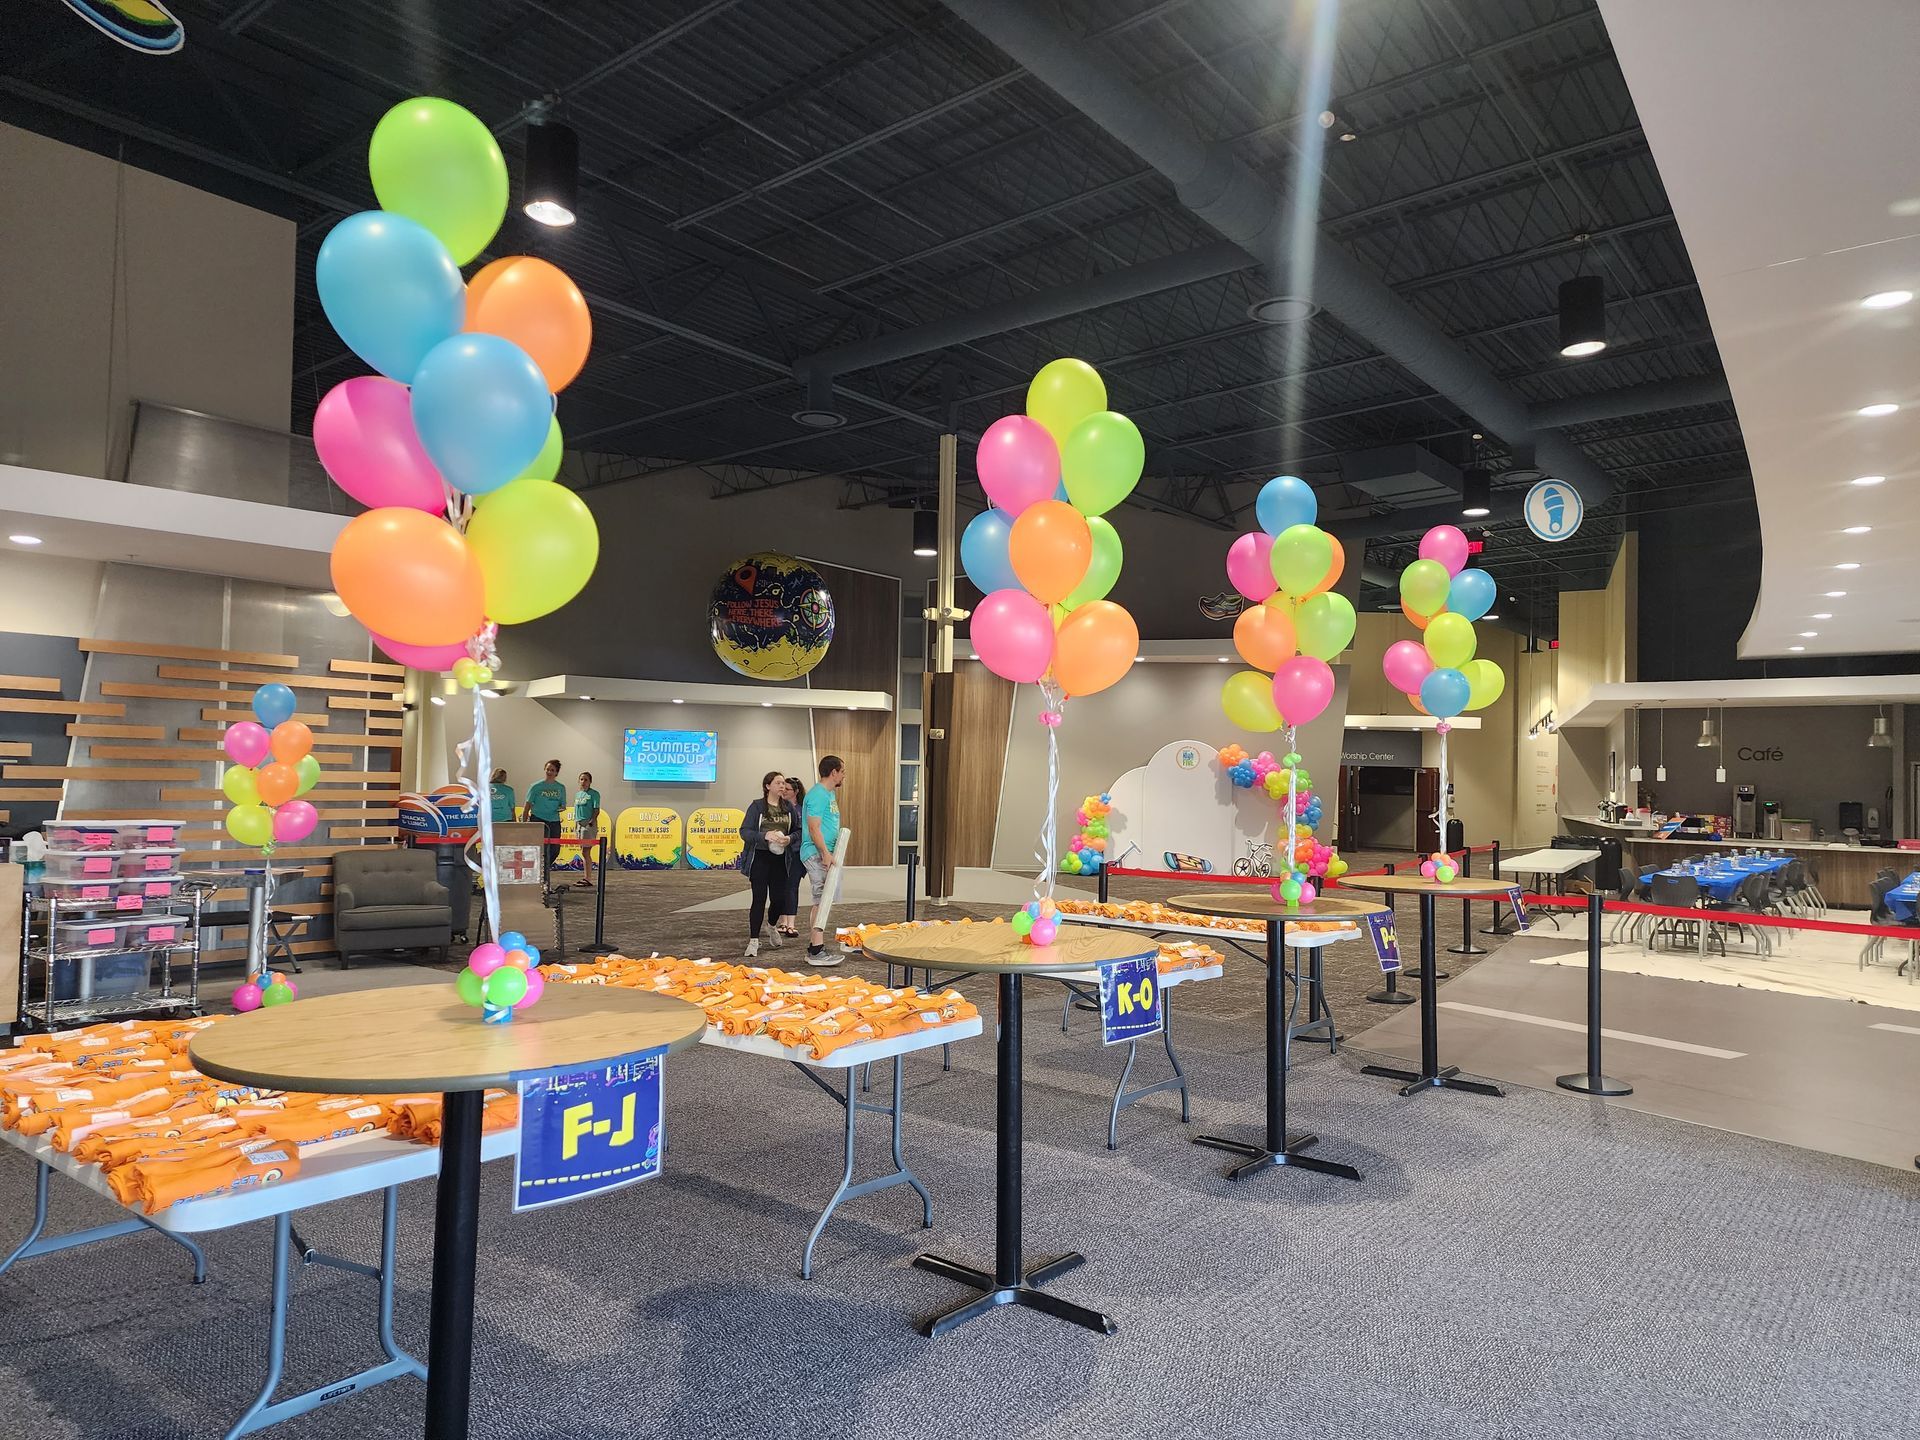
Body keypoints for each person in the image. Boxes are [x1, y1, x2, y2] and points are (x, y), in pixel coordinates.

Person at [738, 771, 794, 958]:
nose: (782, 786)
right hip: (760, 859)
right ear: (767, 786)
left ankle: (771, 926)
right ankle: (754, 940)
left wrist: (789, 838)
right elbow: (745, 831)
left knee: (779, 899)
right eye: (777, 782)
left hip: (781, 861)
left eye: (783, 783)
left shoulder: (788, 808)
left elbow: (799, 831)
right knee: (759, 898)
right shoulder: (756, 807)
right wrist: (764, 836)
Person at [800, 755, 845, 963]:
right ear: (833, 772)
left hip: (826, 853)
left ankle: (815, 946)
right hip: (817, 853)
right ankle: (816, 950)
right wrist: (825, 853)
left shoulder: (829, 794)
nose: (843, 776)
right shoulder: (818, 795)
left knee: (824, 899)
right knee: (822, 899)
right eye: (842, 771)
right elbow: (813, 827)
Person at [524, 759, 566, 881]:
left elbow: (562, 804)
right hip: (538, 819)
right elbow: (527, 805)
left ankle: (544, 869)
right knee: (538, 848)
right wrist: (524, 821)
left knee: (555, 849)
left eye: (552, 770)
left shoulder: (561, 787)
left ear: (556, 773)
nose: (549, 772)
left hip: (554, 820)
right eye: (548, 769)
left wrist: (561, 808)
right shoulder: (536, 786)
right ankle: (537, 874)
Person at [774, 775, 805, 940]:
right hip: (780, 853)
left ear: (796, 792)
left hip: (796, 852)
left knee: (792, 886)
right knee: (781, 886)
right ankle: (783, 921)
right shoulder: (777, 808)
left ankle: (791, 924)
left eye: (788, 789)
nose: (784, 791)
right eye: (783, 788)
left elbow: (801, 832)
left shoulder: (801, 810)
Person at [571, 771, 601, 892]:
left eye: (586, 780)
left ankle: (588, 878)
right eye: (581, 779)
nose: (583, 782)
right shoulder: (578, 794)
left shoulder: (594, 794)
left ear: (590, 782)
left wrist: (592, 821)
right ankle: (586, 877)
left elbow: (596, 809)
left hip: (588, 824)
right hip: (579, 824)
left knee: (586, 851)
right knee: (583, 852)